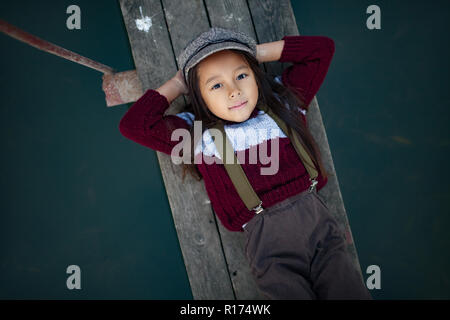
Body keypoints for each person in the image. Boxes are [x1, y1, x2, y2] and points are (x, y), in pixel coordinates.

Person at [119, 27, 372, 300]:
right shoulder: (197, 136)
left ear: (255, 76)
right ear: (198, 96)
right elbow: (134, 125)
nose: (234, 90)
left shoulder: (282, 101)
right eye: (216, 85)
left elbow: (322, 49)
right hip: (269, 244)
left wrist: (253, 52)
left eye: (242, 75)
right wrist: (179, 84)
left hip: (320, 228)